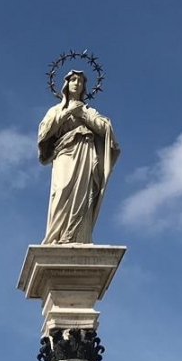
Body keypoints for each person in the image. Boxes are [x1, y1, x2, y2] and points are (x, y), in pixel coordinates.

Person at [37, 67, 120, 244]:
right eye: (73, 80)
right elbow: (44, 133)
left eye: (81, 81)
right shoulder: (56, 110)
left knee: (82, 194)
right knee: (61, 190)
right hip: (65, 152)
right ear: (66, 84)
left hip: (85, 152)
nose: (77, 83)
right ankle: (56, 235)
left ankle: (76, 235)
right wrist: (67, 113)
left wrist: (82, 114)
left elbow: (105, 129)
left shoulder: (88, 110)